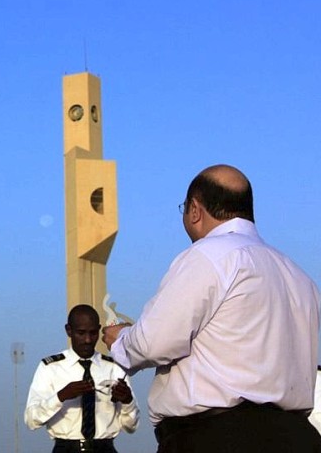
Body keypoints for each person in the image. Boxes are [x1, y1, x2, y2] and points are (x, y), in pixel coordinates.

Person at [102, 164, 321, 452]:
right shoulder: (299, 276)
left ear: (195, 209)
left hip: (218, 436)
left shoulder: (209, 255)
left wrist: (122, 339)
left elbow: (154, 343)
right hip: (297, 437)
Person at [25, 304, 138, 453]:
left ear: (99, 330)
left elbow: (131, 426)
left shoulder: (114, 367)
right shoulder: (50, 368)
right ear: (69, 330)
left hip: (105, 448)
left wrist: (127, 401)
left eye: (93, 333)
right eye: (81, 333)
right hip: (66, 449)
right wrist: (61, 396)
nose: (87, 340)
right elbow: (32, 420)